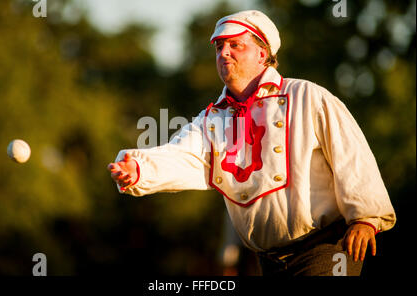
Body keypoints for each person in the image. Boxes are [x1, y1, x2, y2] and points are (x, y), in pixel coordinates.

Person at [107, 10, 396, 276]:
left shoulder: (307, 96)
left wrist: (365, 218)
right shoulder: (212, 118)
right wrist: (139, 169)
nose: (224, 53)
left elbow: (351, 155)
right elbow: (182, 155)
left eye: (235, 45)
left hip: (325, 248)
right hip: (268, 260)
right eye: (219, 47)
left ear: (263, 53)